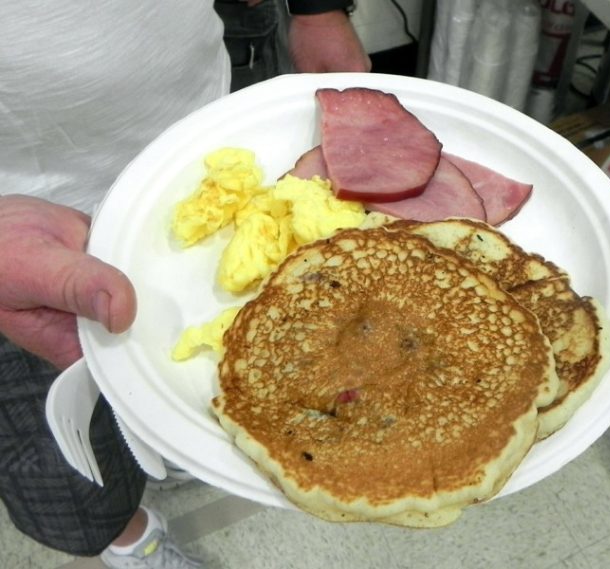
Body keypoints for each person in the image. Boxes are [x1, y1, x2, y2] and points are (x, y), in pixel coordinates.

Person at [0, 1, 368, 568]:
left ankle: (166, 442)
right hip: (21, 225)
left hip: (202, 107)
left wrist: (316, 9)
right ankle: (129, 539)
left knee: (176, 390)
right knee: (69, 466)